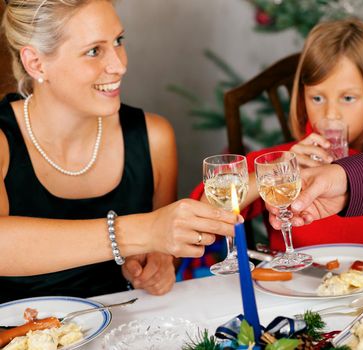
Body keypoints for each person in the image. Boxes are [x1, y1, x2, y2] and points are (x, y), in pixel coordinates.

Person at [0, 0, 237, 303]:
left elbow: (162, 253)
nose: (119, 65)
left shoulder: (153, 137)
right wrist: (142, 230)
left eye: (118, 41)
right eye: (94, 51)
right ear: (36, 63)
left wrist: (159, 265)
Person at [192, 17, 363, 254]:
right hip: (296, 295)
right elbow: (206, 211)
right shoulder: (279, 164)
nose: (331, 114)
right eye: (317, 98)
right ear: (302, 98)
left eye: (348, 98)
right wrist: (274, 174)